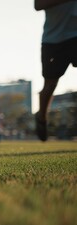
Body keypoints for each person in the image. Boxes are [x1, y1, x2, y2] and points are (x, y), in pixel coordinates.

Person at [34, 0, 77, 142]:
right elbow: (38, 5)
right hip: (53, 41)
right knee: (50, 85)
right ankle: (41, 117)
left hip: (74, 36)